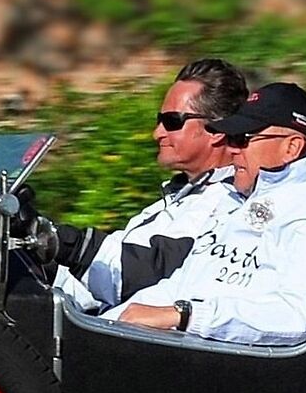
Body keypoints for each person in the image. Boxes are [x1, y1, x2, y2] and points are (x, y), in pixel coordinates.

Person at [111, 82, 306, 345]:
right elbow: (178, 287)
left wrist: (185, 316)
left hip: (257, 376)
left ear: (291, 147)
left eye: (243, 138)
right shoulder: (238, 200)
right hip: (196, 357)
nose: (231, 149)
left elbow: (293, 317)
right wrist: (104, 326)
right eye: (231, 137)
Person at [46, 58, 250, 309]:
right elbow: (92, 287)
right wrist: (37, 261)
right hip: (103, 326)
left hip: (139, 341)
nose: (157, 133)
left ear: (217, 129)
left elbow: (142, 276)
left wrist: (57, 240)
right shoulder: (179, 195)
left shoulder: (230, 203)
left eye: (172, 121)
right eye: (158, 120)